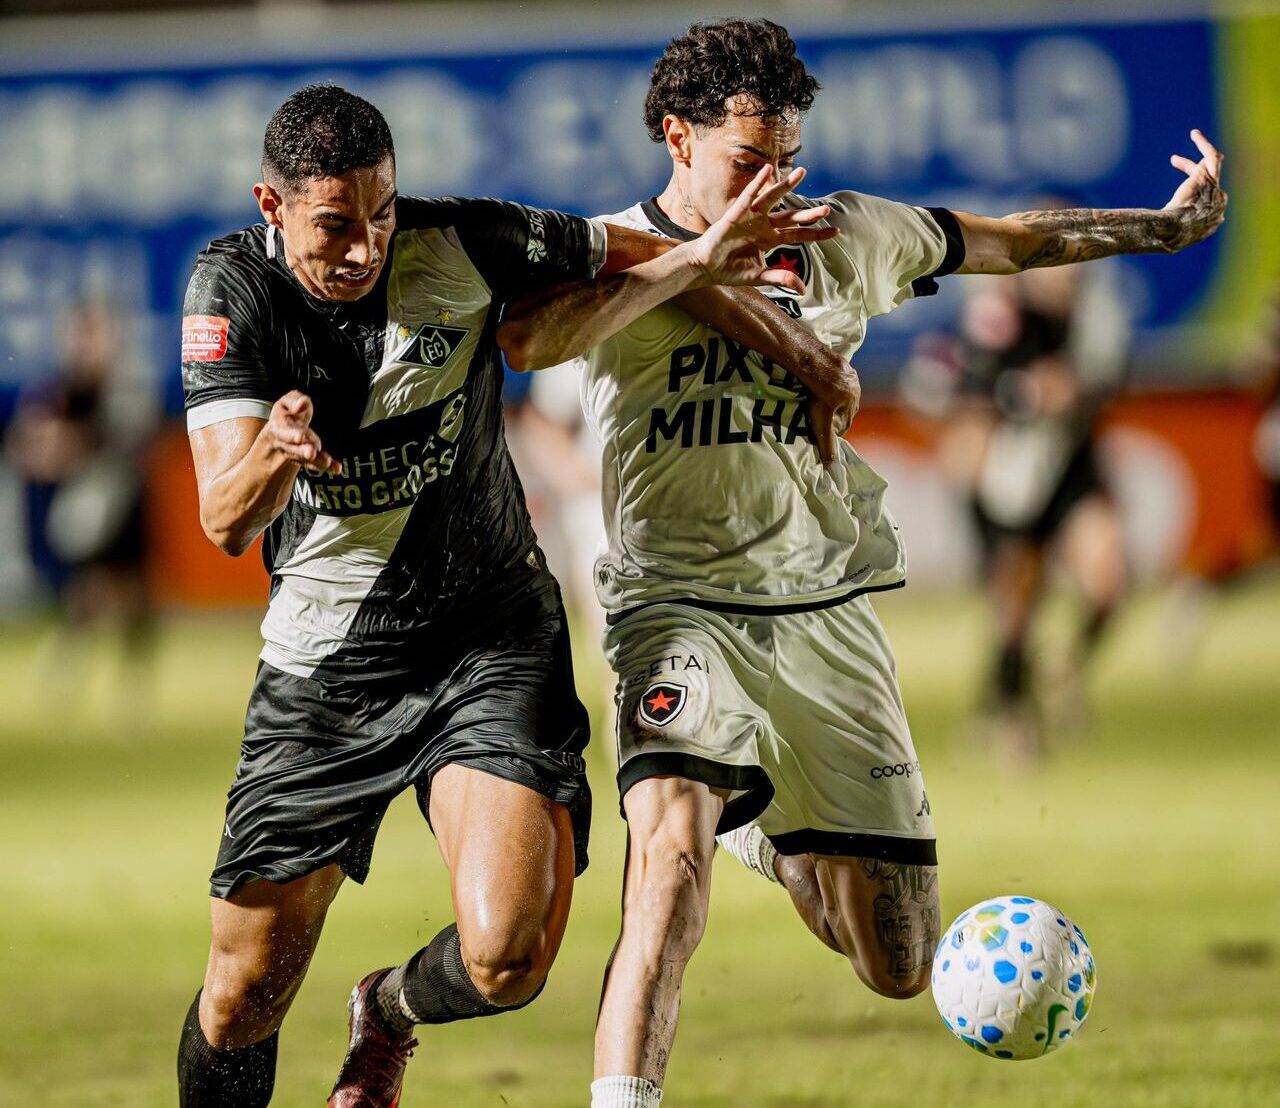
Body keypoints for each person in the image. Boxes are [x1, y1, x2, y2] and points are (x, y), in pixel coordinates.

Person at [503, 20, 1227, 1107]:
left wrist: (1156, 230)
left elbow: (1008, 242)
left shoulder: (844, 235)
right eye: (747, 161)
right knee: (666, 865)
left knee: (897, 961)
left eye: (787, 158)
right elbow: (529, 341)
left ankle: (753, 819)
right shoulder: (614, 245)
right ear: (677, 138)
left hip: (824, 613)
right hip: (672, 605)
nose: (773, 183)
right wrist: (691, 264)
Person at [176, 83, 852, 1108]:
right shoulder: (232, 291)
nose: (365, 245)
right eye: (334, 225)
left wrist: (797, 347)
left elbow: (652, 258)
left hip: (486, 638)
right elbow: (226, 520)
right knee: (242, 998)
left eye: (381, 212)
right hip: (328, 666)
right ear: (272, 207)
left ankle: (386, 1009)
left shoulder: (465, 241)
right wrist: (275, 447)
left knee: (507, 958)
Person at [902, 242, 1133, 754]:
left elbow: (1110, 377)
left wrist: (1075, 390)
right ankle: (1007, 713)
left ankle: (1066, 669)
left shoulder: (1096, 317)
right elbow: (950, 386)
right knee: (1017, 604)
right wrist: (1019, 396)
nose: (1067, 275)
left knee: (1108, 577)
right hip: (1006, 476)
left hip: (1070, 464)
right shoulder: (998, 315)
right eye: (1058, 262)